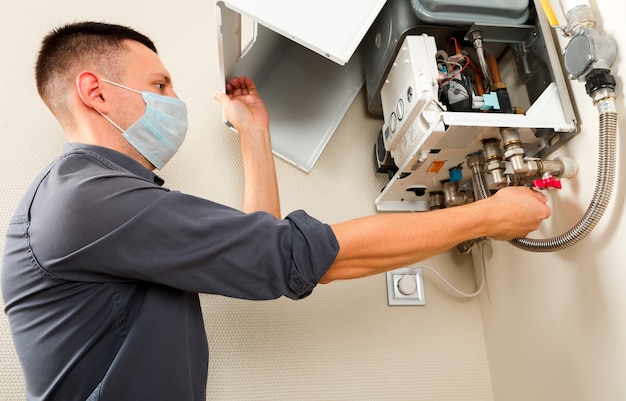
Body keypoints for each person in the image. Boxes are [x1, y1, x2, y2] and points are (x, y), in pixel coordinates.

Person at [1, 22, 550, 401]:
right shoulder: (83, 200)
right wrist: (487, 217)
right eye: (159, 85)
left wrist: (254, 134)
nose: (174, 101)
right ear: (95, 92)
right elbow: (291, 258)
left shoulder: (105, 200)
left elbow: (255, 254)